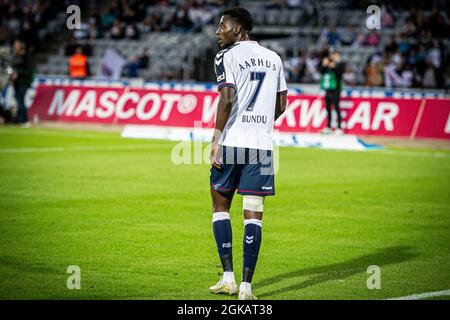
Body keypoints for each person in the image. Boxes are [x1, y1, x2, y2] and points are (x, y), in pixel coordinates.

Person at [208, 7, 287, 300]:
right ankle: (246, 288)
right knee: (254, 216)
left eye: (222, 26)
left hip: (232, 141)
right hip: (261, 146)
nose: (218, 32)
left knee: (220, 207)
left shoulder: (226, 56)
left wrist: (216, 138)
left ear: (238, 28)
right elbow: (281, 106)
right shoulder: (274, 58)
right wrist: (262, 124)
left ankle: (228, 278)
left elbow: (226, 97)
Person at [319, 49, 345, 134]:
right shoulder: (329, 64)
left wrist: (333, 66)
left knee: (337, 107)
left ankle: (339, 127)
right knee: (328, 108)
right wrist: (324, 65)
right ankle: (328, 126)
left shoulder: (341, 64)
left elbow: (339, 73)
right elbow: (321, 71)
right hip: (328, 88)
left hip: (336, 89)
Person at [10, 40, 33, 126]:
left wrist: (18, 73)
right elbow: (10, 68)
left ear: (21, 47)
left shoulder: (27, 57)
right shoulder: (15, 56)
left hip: (24, 82)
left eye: (16, 45)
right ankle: (20, 119)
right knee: (18, 99)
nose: (15, 47)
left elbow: (29, 71)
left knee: (21, 100)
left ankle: (25, 120)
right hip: (16, 82)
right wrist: (11, 74)